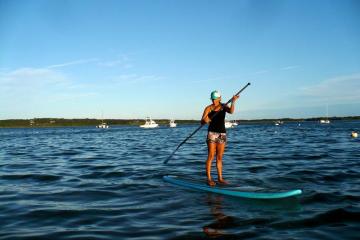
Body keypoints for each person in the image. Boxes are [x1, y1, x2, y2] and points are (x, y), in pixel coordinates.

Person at [201, 90, 239, 187]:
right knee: (211, 156)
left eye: (216, 99)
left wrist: (233, 101)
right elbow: (202, 122)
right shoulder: (208, 108)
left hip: (222, 134)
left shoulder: (224, 106)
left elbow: (231, 111)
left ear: (220, 98)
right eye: (213, 99)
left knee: (219, 157)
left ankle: (220, 178)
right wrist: (206, 119)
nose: (214, 101)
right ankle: (209, 179)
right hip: (212, 133)